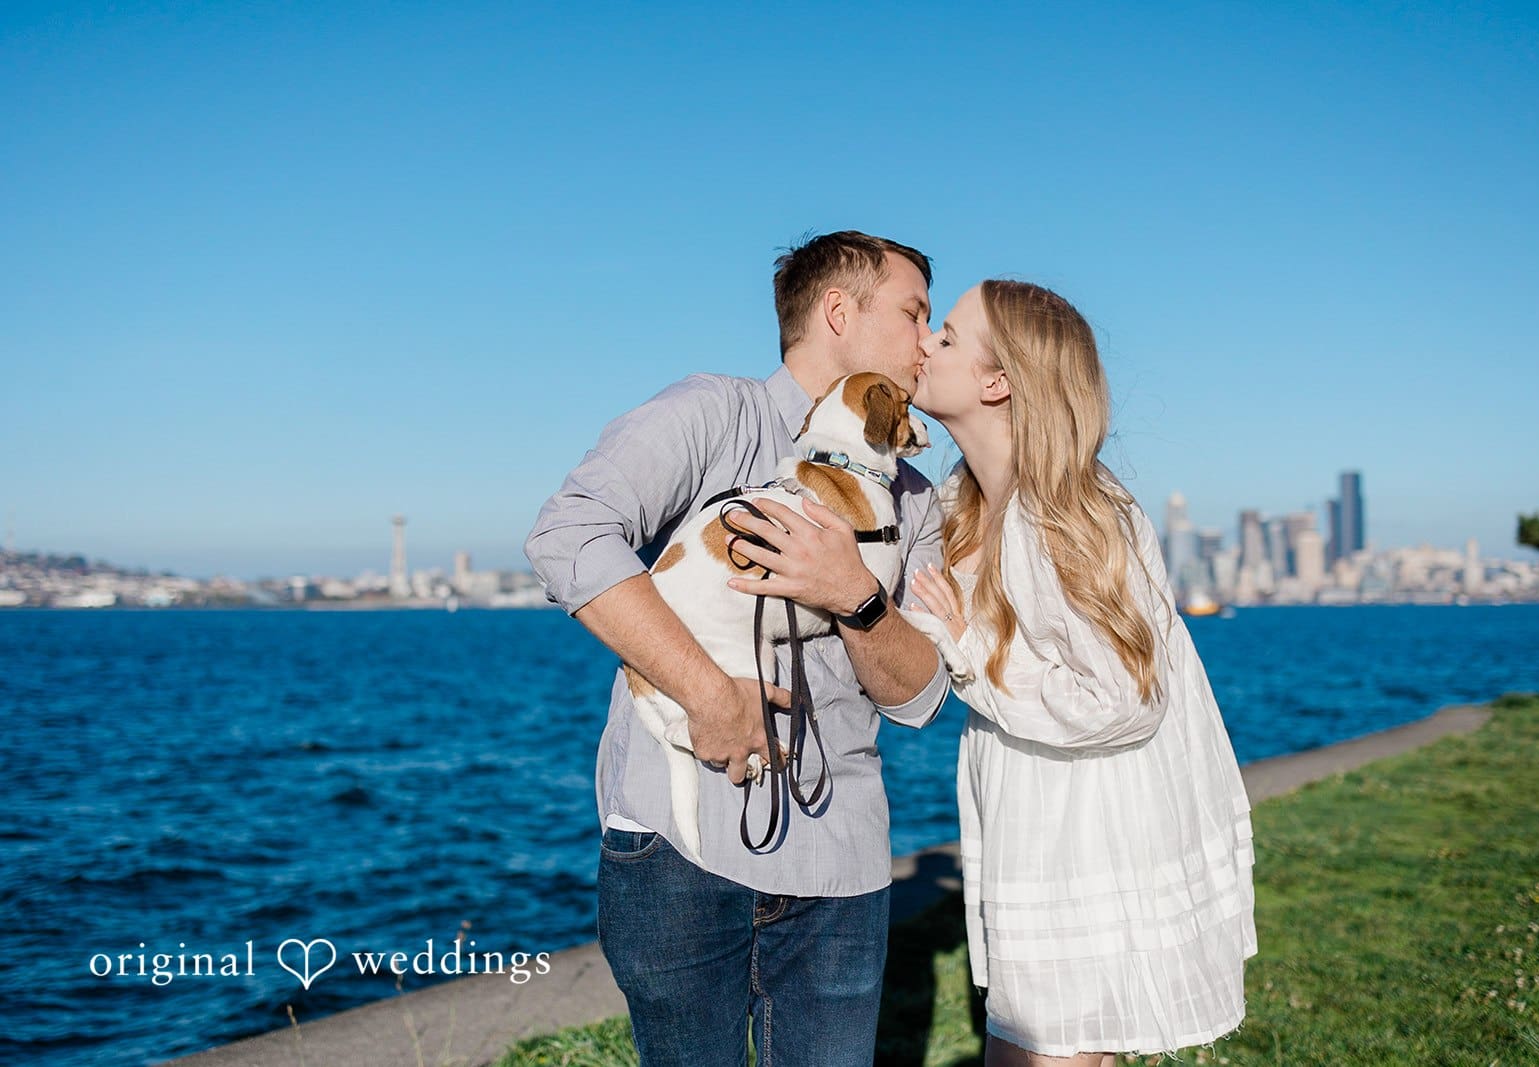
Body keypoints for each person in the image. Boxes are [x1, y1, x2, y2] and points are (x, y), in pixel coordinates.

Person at [524, 231, 951, 1066]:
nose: (927, 343)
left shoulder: (914, 496)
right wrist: (708, 696)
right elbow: (567, 534)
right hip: (679, 854)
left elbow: (919, 696)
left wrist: (853, 595)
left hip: (839, 864)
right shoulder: (713, 413)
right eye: (912, 315)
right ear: (838, 311)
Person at [906, 280, 1256, 1066]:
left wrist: (969, 654)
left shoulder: (1062, 515)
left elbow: (1127, 697)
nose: (926, 339)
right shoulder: (966, 504)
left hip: (1081, 828)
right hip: (1042, 811)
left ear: (999, 382)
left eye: (951, 336)